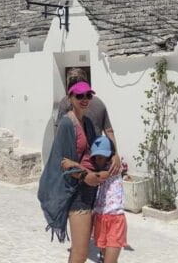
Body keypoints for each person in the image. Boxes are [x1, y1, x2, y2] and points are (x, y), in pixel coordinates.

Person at [38, 81, 107, 263]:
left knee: (78, 250)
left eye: (88, 95)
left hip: (90, 190)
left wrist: (112, 160)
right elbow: (63, 163)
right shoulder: (67, 124)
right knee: (81, 252)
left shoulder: (88, 123)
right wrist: (85, 175)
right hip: (77, 192)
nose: (84, 99)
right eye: (79, 96)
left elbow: (95, 152)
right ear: (71, 98)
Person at [64, 135, 127, 263]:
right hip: (100, 218)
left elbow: (96, 176)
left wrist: (74, 165)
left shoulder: (113, 168)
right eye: (96, 157)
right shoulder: (97, 168)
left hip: (115, 220)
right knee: (105, 258)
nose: (98, 160)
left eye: (102, 157)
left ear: (110, 156)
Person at [56, 68, 122, 176]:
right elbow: (109, 131)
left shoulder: (65, 102)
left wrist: (115, 154)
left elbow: (59, 137)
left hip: (78, 166)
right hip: (94, 161)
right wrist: (114, 153)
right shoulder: (98, 102)